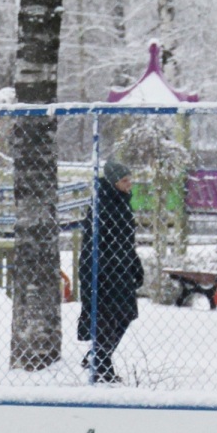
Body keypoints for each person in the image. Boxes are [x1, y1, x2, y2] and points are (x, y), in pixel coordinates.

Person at [77, 161, 143, 384]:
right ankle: (102, 366)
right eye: (125, 180)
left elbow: (125, 241)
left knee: (125, 314)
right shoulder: (103, 205)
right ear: (114, 182)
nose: (129, 184)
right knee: (107, 317)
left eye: (129, 179)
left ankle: (97, 357)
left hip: (120, 269)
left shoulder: (121, 203)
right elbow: (97, 242)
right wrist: (112, 263)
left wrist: (134, 263)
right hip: (103, 272)